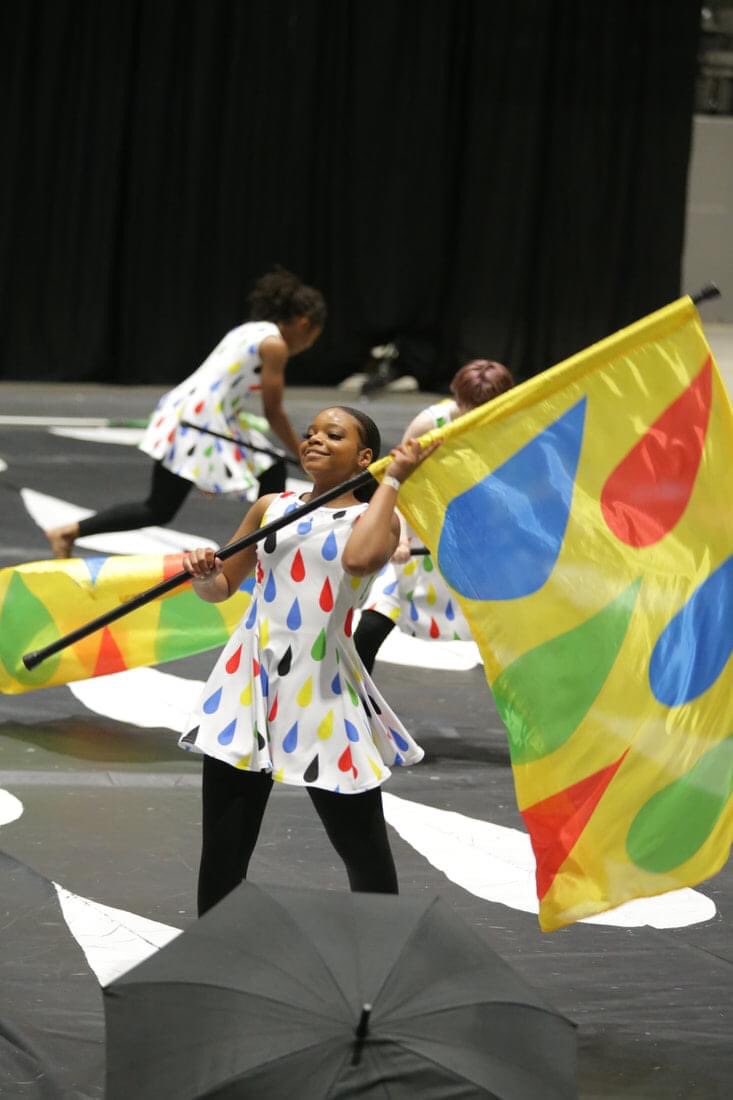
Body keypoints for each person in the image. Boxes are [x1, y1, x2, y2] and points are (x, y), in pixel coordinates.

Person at [180, 405, 440, 915]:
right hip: (248, 684)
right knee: (224, 850)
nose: (314, 439)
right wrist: (202, 572)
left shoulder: (378, 520)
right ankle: (216, 951)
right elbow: (220, 588)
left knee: (361, 848)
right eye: (310, 432)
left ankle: (381, 942)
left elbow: (359, 561)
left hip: (321, 689)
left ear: (364, 456)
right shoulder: (269, 507)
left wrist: (393, 480)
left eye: (333, 435)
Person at [45, 268, 325, 558]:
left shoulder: (251, 330)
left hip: (195, 417)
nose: (306, 347)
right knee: (162, 507)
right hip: (197, 423)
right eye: (312, 338)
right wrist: (303, 453)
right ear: (304, 324)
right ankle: (259, 554)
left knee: (264, 469)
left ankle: (261, 550)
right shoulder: (274, 344)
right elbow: (273, 411)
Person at [354, 359, 514, 673]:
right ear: (458, 398)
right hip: (423, 526)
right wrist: (397, 538)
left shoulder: (510, 420)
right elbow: (397, 483)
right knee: (370, 628)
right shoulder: (430, 424)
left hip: (477, 535)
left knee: (504, 633)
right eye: (469, 405)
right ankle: (355, 705)